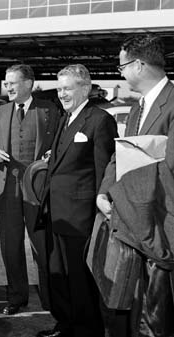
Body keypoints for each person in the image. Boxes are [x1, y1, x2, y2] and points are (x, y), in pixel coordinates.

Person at [96, 34, 174, 337]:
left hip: (160, 228)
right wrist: (105, 190)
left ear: (139, 65)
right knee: (136, 313)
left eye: (122, 67)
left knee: (157, 320)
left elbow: (169, 167)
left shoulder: (171, 104)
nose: (122, 74)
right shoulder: (136, 109)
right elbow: (121, 155)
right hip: (134, 224)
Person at [37, 64, 118, 337]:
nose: (61, 94)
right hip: (56, 212)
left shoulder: (99, 120)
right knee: (58, 275)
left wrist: (101, 210)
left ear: (85, 88)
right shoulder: (65, 118)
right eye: (59, 89)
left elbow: (105, 170)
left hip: (80, 217)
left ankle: (86, 330)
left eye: (67, 88)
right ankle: (65, 325)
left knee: (80, 280)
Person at [0, 64, 60, 315]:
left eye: (12, 83)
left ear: (29, 84)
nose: (7, 87)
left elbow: (59, 144)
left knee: (41, 247)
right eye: (6, 83)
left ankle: (51, 300)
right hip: (7, 190)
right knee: (10, 246)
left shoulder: (49, 110)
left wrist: (52, 154)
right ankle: (16, 297)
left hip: (37, 190)